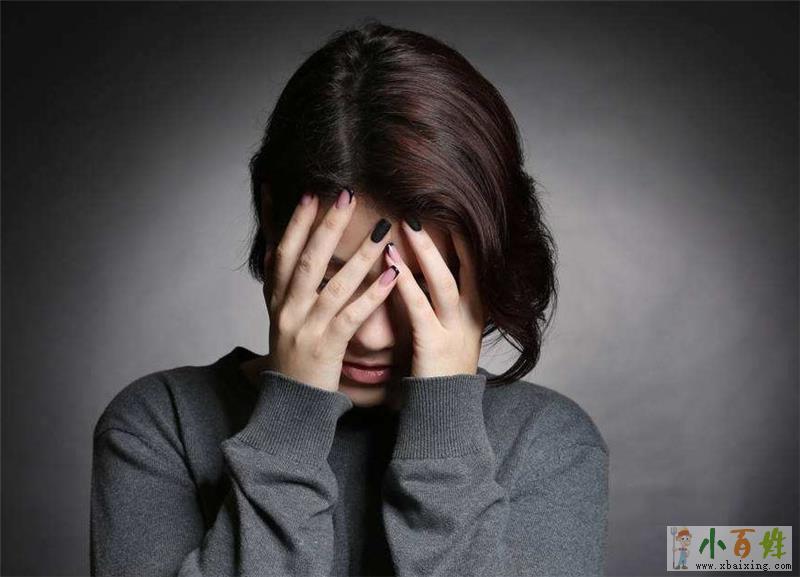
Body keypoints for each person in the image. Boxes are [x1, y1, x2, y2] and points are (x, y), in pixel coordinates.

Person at [90, 20, 609, 576]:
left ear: (481, 265)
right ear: (273, 219)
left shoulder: (548, 446)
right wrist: (292, 421)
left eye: (418, 284)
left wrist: (444, 431)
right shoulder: (160, 428)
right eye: (336, 278)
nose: (370, 336)